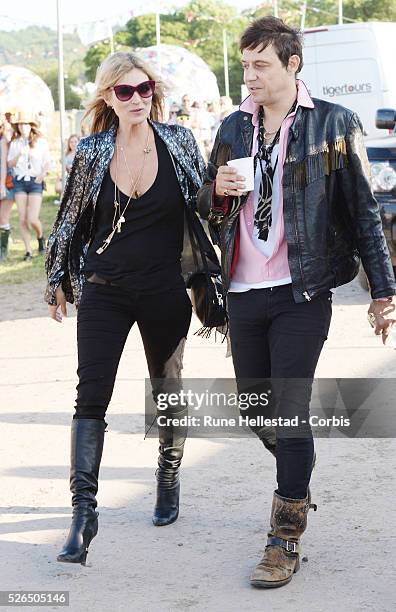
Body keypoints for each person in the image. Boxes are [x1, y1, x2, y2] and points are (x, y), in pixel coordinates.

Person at [197, 16, 396, 589]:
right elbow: (207, 210)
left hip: (301, 290)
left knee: (287, 407)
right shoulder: (233, 128)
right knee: (260, 414)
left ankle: (284, 535)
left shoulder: (333, 123)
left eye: (261, 64)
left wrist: (383, 291)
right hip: (242, 291)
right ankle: (299, 475)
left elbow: (361, 211)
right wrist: (216, 194)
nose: (250, 75)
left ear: (293, 64)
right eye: (246, 64)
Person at [45, 51, 220, 565]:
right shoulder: (93, 150)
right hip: (105, 288)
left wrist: (222, 195)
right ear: (108, 97)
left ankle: (168, 473)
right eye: (126, 91)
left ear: (155, 94)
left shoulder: (180, 141)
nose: (138, 99)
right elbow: (70, 218)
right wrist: (58, 277)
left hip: (164, 288)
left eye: (145, 90)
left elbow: (207, 203)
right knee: (90, 395)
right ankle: (83, 514)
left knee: (167, 386)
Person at [7, 112, 50, 261]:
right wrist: (19, 153)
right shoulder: (15, 142)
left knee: (33, 218)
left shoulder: (41, 142)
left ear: (31, 126)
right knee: (22, 219)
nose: (23, 126)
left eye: (25, 124)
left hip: (34, 182)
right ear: (17, 126)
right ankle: (28, 251)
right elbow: (10, 164)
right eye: (20, 124)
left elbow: (47, 163)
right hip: (19, 181)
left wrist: (42, 175)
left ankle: (40, 237)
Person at [0, 115, 14, 261]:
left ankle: (3, 251)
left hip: (6, 182)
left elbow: (4, 164)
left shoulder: (4, 140)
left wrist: (2, 184)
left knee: (3, 217)